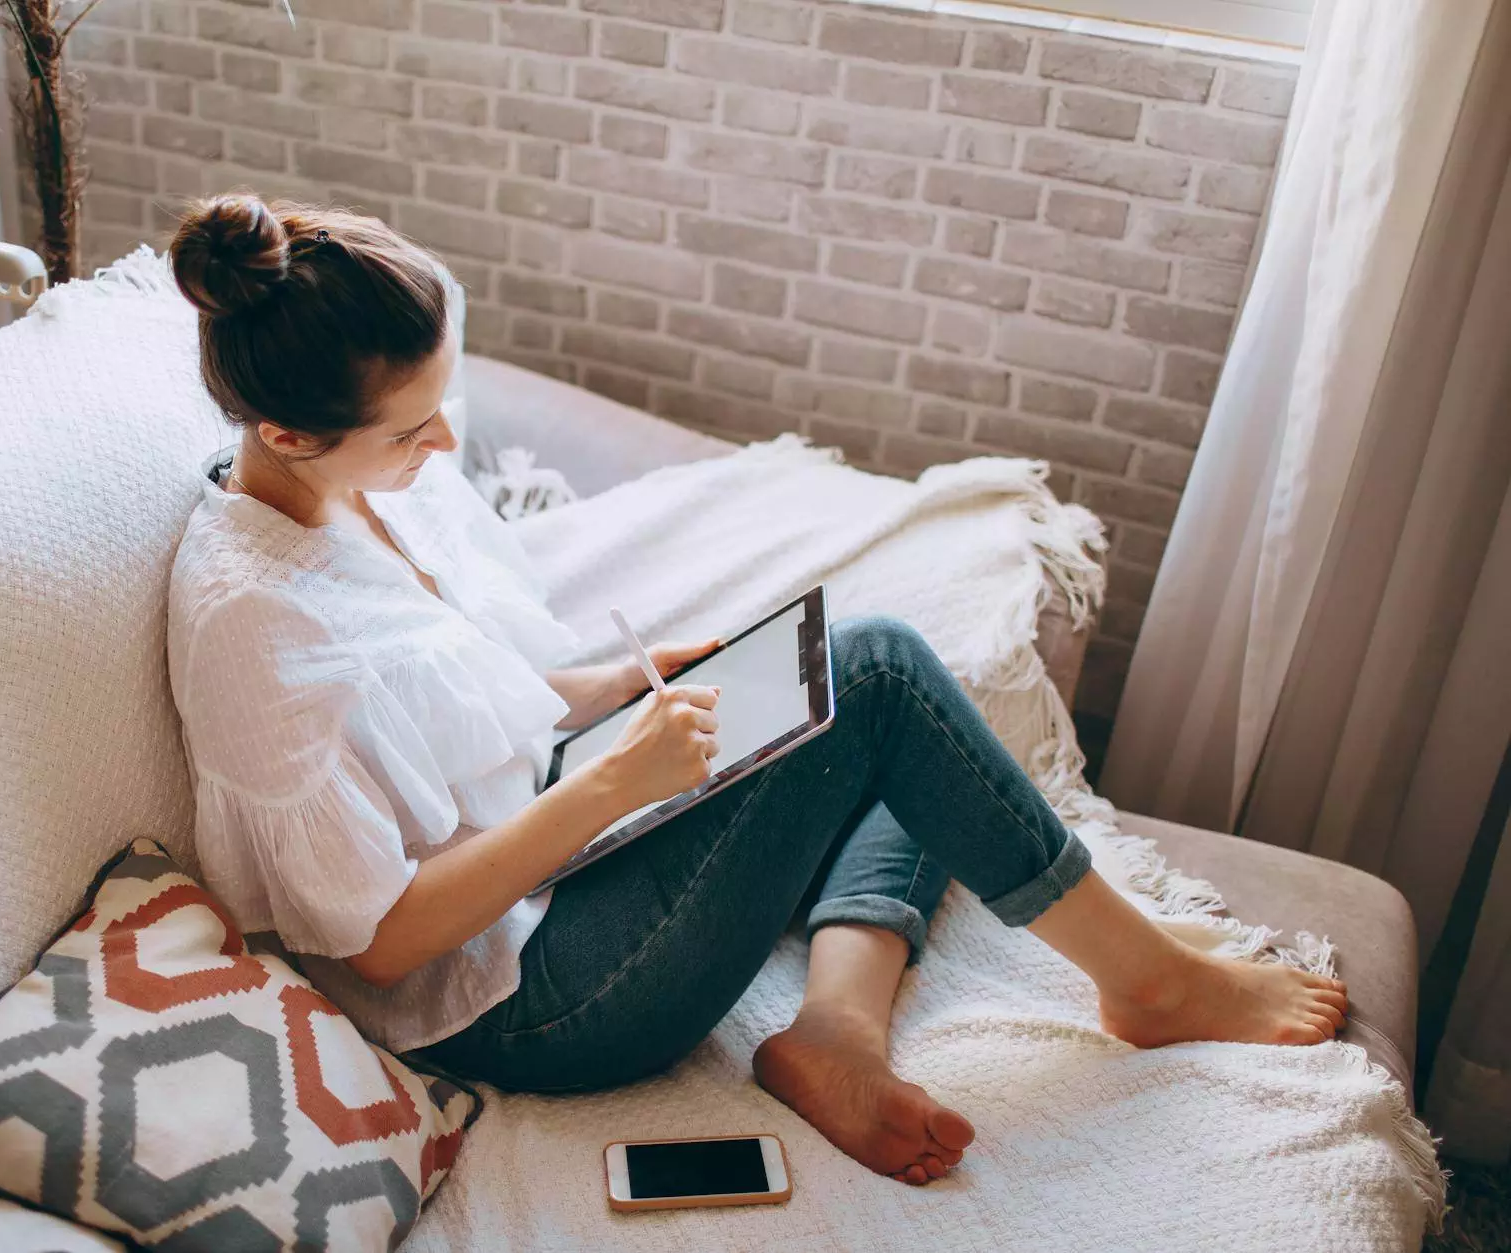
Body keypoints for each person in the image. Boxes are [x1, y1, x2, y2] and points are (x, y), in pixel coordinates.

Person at [164, 191, 1349, 1187]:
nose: (441, 448)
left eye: (441, 408)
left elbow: (471, 695)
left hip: (561, 823)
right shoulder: (257, 627)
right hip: (521, 993)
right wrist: (615, 781)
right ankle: (1144, 980)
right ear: (289, 430)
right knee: (881, 680)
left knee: (881, 691)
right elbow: (377, 943)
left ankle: (835, 1024)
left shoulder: (361, 482)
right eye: (411, 429)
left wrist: (625, 684)